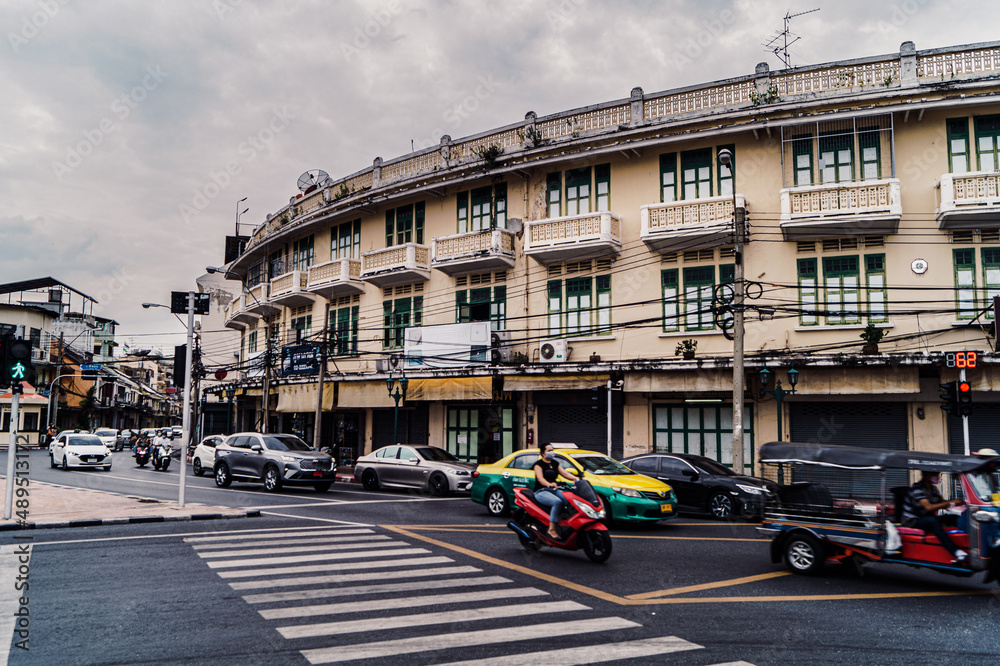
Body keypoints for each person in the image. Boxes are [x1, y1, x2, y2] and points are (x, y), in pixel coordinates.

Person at [901, 470, 967, 563]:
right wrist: (949, 502)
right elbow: (928, 507)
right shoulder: (917, 488)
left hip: (926, 518)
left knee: (953, 517)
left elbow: (942, 503)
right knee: (933, 521)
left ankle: (967, 544)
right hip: (912, 521)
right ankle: (956, 552)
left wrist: (957, 503)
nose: (937, 476)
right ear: (926, 475)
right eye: (935, 474)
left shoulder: (933, 489)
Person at [533, 444, 578, 539]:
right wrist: (549, 484)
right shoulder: (538, 465)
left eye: (552, 450)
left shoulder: (554, 463)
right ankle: (552, 529)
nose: (551, 452)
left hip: (554, 490)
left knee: (570, 500)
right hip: (541, 491)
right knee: (557, 502)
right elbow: (540, 479)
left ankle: (568, 524)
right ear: (543, 453)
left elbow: (565, 473)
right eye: (549, 450)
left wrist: (576, 478)